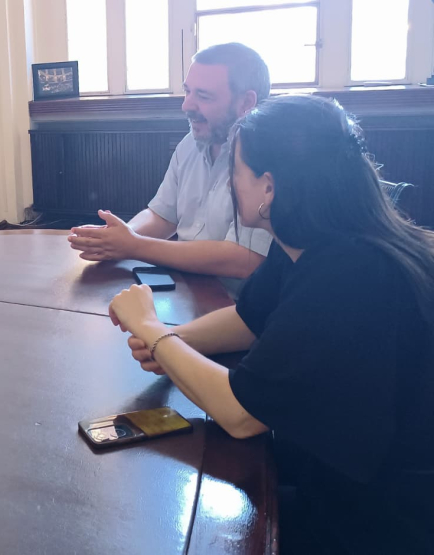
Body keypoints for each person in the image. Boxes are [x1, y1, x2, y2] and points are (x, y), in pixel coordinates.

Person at [108, 95, 434, 554]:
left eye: (235, 172)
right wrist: (175, 340)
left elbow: (243, 415)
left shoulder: (352, 273)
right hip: (339, 464)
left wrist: (155, 331)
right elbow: (250, 319)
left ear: (269, 186)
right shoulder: (310, 238)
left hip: (380, 514)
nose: (229, 183)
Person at [69, 43, 273, 297]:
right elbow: (163, 216)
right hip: (185, 289)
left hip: (236, 308)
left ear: (246, 102)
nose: (186, 105)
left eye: (203, 96)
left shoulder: (269, 159)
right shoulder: (190, 143)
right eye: (188, 92)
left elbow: (242, 259)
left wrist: (133, 246)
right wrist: (115, 239)